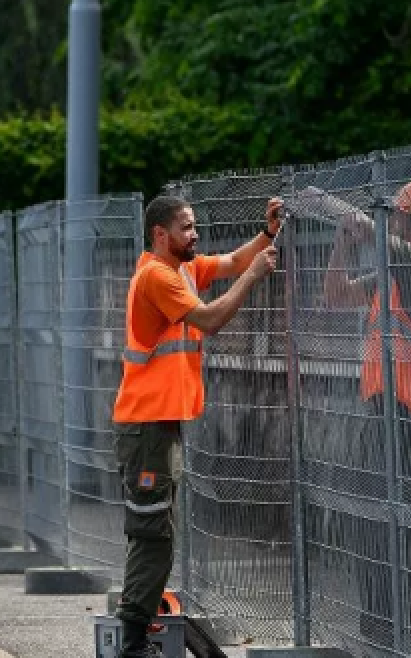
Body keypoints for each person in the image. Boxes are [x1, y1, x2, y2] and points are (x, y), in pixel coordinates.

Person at [110, 194, 281, 658]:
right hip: (146, 428)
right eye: (186, 228)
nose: (195, 234)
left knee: (156, 529)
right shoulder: (158, 277)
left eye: (195, 226)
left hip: (158, 426)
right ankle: (131, 640)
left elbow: (229, 261)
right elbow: (210, 319)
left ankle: (135, 631)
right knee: (154, 533)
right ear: (160, 235)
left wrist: (267, 235)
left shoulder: (181, 269)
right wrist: (254, 276)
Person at [323, 177, 411, 658]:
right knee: (371, 529)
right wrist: (343, 238)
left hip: (409, 421)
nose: (392, 222)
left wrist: (364, 225)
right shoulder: (393, 271)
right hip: (379, 413)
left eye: (397, 215)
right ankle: (379, 637)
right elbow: (335, 295)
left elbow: (393, 246)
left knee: (407, 536)